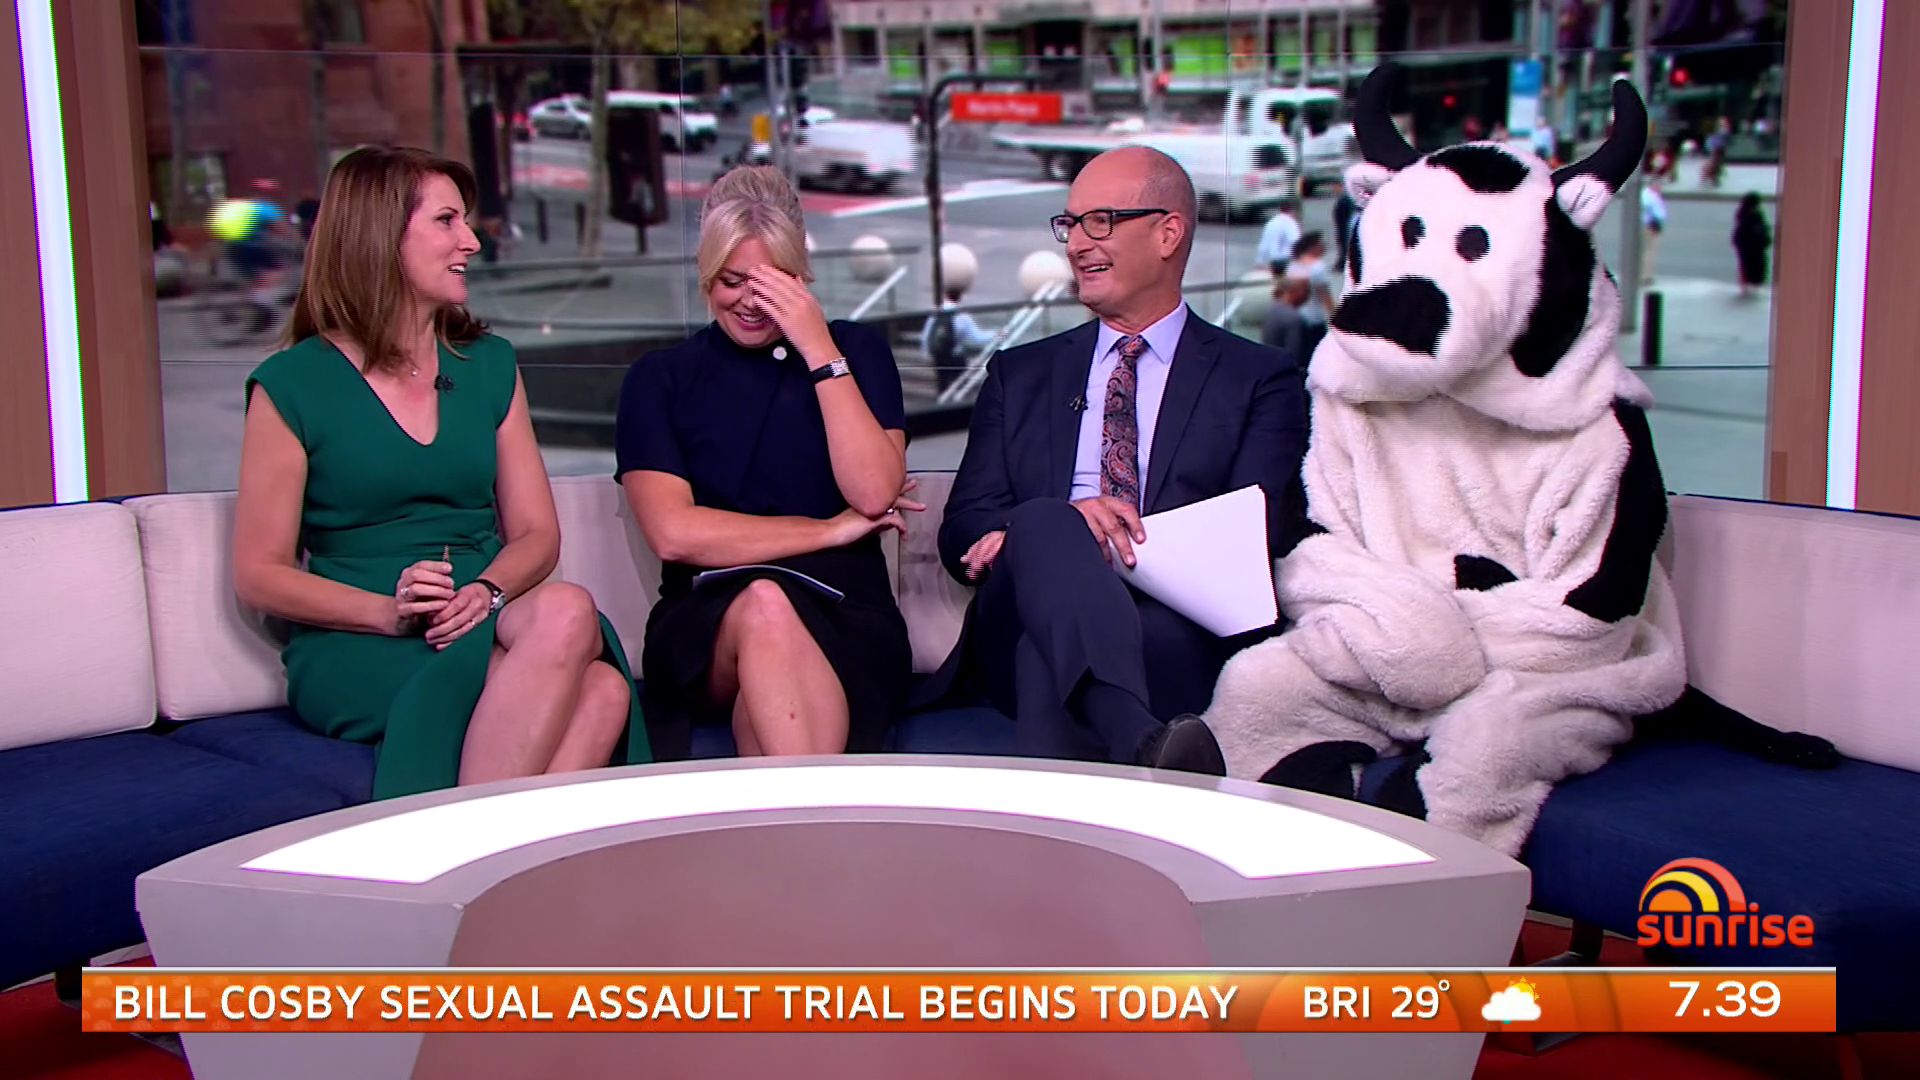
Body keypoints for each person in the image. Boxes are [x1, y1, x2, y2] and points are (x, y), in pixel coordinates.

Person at [232, 146, 649, 800]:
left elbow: (537, 535)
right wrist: (387, 612)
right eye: (447, 221)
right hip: (362, 635)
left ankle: (469, 843)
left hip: (481, 607)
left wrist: (486, 591)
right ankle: (488, 845)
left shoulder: (489, 364)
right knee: (598, 691)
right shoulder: (291, 385)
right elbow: (260, 574)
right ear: (381, 236)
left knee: (578, 628)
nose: (471, 242)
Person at [922, 146, 1310, 774]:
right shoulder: (1020, 374)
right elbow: (964, 526)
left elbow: (1255, 531)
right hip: (1014, 608)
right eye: (1070, 224)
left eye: (1099, 221)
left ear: (1168, 233)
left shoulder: (1259, 379)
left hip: (1170, 622)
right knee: (1048, 519)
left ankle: (1120, 755)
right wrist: (1063, 528)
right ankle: (1139, 736)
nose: (1077, 244)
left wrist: (1108, 542)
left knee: (1047, 653)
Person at [616, 166, 915, 761]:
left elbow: (874, 491)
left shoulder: (857, 353)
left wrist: (819, 348)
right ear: (706, 274)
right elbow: (675, 534)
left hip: (846, 609)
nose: (750, 302)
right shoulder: (659, 378)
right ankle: (821, 814)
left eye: (771, 283)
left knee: (767, 702)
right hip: (707, 616)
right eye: (732, 281)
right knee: (765, 603)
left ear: (801, 277)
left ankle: (792, 818)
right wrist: (827, 531)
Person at [921, 287, 996, 394]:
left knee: (942, 385)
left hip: (939, 356)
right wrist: (996, 334)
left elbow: (927, 335)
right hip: (955, 356)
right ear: (960, 297)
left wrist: (927, 354)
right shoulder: (962, 316)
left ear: (945, 295)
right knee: (959, 384)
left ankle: (943, 400)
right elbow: (977, 338)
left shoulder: (936, 313)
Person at [1285, 231, 1336, 361]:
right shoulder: (1318, 268)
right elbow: (1325, 296)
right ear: (1312, 247)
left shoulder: (1294, 265)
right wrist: (1336, 318)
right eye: (1321, 244)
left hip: (1295, 317)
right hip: (1314, 320)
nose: (1325, 247)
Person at [1261, 274, 1309, 366]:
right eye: (1306, 291)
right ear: (1294, 292)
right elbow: (1294, 354)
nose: (1307, 296)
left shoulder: (1271, 309)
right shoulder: (1294, 318)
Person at [1733, 192, 1772, 299]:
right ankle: (1751, 285)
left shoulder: (1744, 214)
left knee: (1746, 265)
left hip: (1747, 245)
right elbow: (1760, 229)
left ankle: (1747, 285)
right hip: (1752, 245)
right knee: (1753, 266)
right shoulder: (1753, 215)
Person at [1254, 202, 1300, 275]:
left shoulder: (1270, 223)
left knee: (1277, 279)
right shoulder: (1290, 222)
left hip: (1273, 261)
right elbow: (1295, 241)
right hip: (1286, 260)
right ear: (1292, 211)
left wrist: (1260, 262)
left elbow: (1264, 245)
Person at [1641, 176, 1667, 285]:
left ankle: (1647, 275)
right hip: (1650, 225)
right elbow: (1649, 210)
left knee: (1649, 251)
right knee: (1648, 252)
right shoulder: (1648, 195)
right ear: (1653, 185)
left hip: (1652, 225)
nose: (1660, 187)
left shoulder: (1652, 195)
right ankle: (1645, 276)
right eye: (1659, 185)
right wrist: (1654, 222)